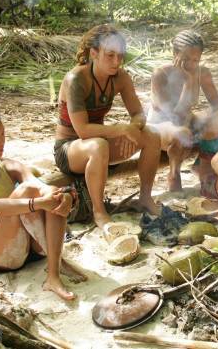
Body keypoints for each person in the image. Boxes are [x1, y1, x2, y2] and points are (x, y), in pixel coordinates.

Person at [0, 106, 86, 301]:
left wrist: (63, 197)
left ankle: (54, 274)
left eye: (3, 134)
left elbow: (40, 187)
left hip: (33, 247)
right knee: (28, 192)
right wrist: (38, 202)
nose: (2, 140)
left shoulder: (9, 165)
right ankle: (55, 268)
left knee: (46, 193)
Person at [54, 24, 162, 230]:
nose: (116, 61)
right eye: (110, 55)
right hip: (69, 149)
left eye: (120, 56)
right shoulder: (76, 79)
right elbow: (83, 131)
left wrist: (134, 128)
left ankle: (145, 198)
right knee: (98, 146)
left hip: (99, 144)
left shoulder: (121, 77)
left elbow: (139, 114)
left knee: (152, 135)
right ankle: (99, 211)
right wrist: (122, 129)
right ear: (93, 53)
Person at [148, 30, 218, 192]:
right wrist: (188, 83)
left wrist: (205, 120)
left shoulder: (203, 73)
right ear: (175, 54)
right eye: (186, 58)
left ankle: (205, 167)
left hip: (186, 121)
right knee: (182, 132)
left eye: (196, 60)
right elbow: (174, 117)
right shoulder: (161, 74)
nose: (191, 64)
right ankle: (174, 175)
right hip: (160, 127)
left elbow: (217, 105)